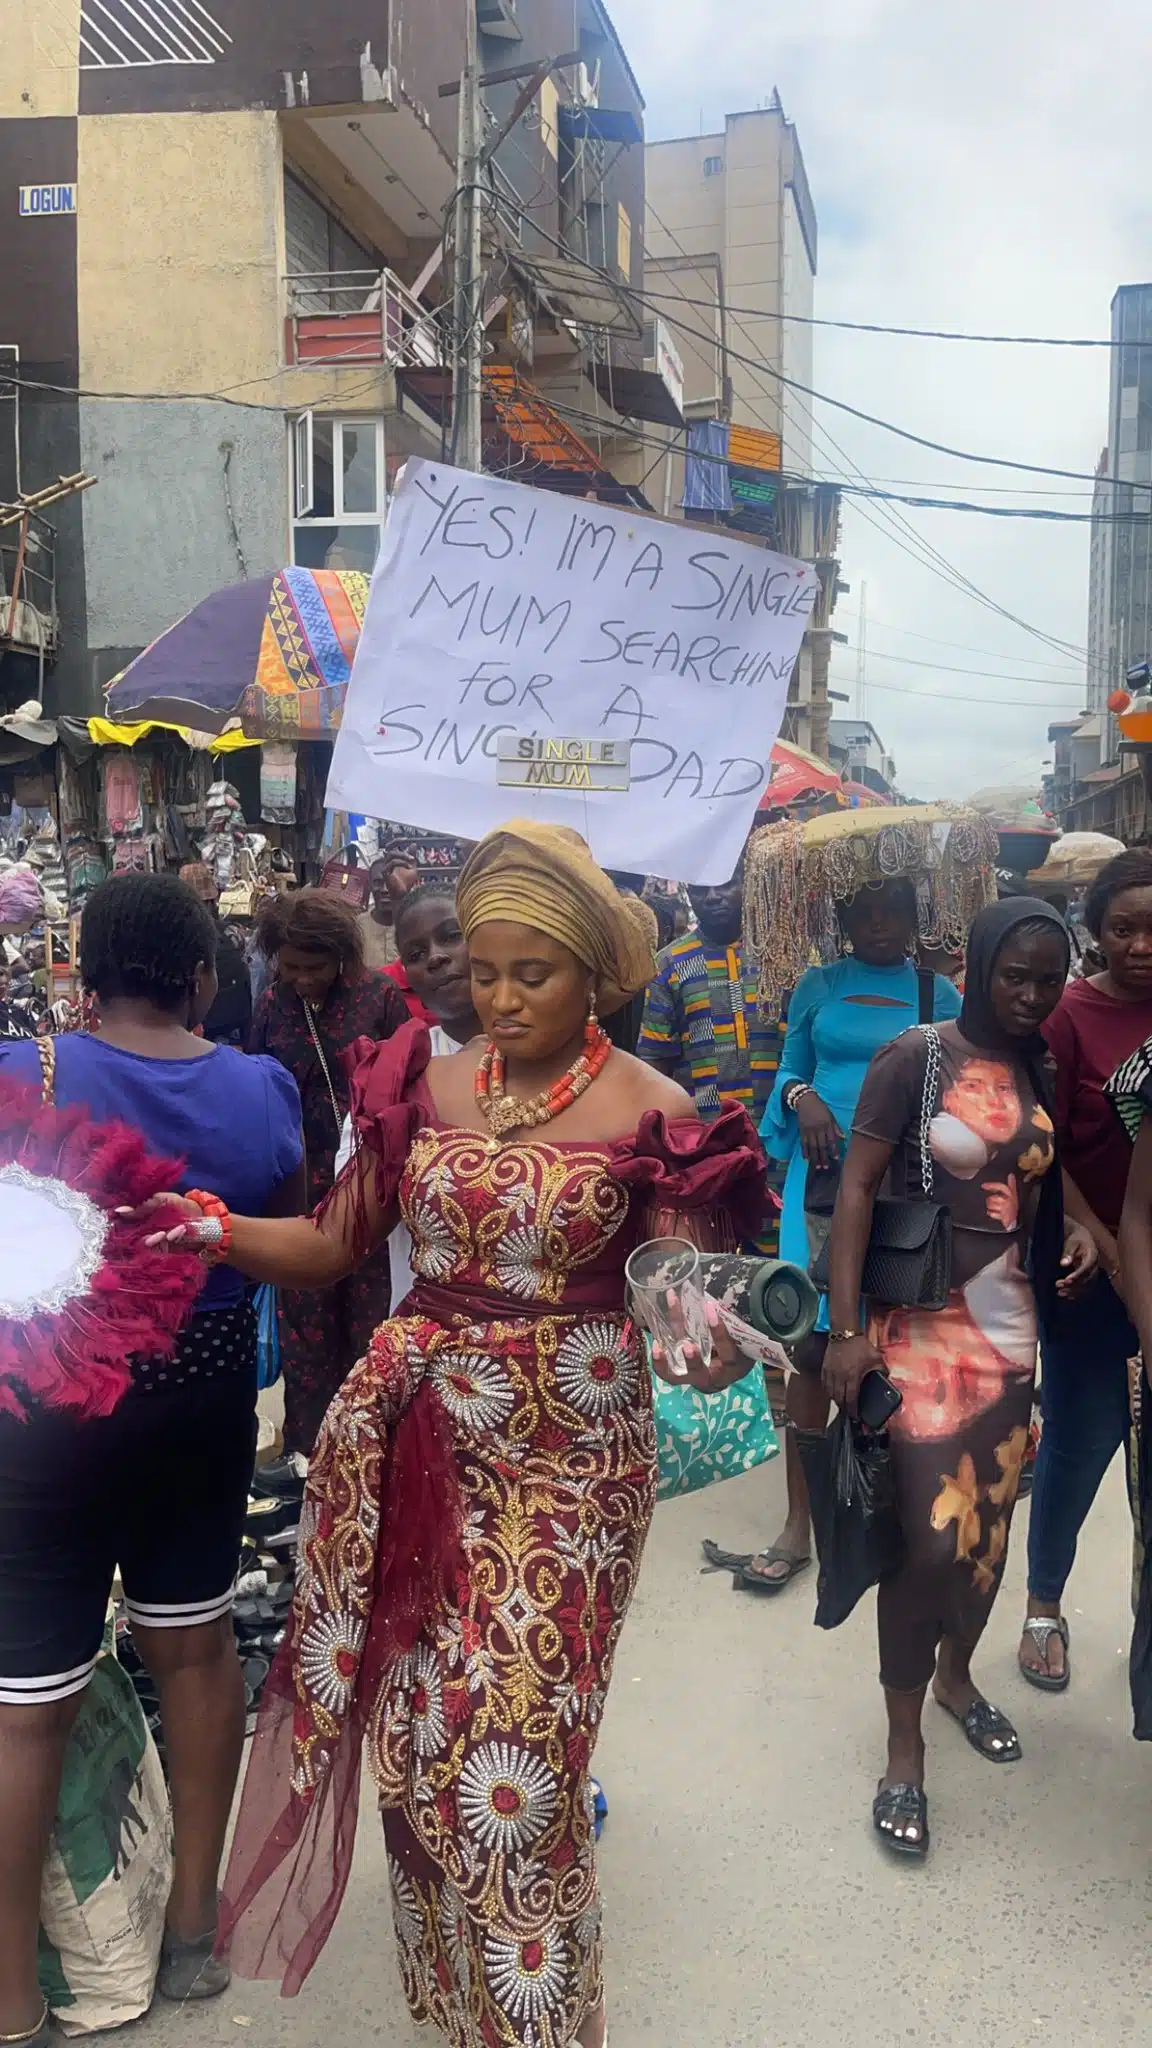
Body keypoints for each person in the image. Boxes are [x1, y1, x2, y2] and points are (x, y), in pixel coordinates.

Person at [146, 820, 767, 2048]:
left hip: (571, 1459)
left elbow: (689, 1329)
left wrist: (725, 1336)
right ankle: (459, 2013)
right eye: (481, 973)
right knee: (424, 1744)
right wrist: (216, 1228)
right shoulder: (420, 1086)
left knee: (520, 1767)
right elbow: (333, 1242)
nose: (498, 997)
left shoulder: (658, 1111)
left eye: (529, 972)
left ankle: (545, 2024)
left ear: (593, 969)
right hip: (411, 1436)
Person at [0, 874, 304, 2042]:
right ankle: (189, 1934)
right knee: (195, 1647)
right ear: (201, 976)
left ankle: (14, 1998)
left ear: (84, 970)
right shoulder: (259, 1089)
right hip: (201, 1391)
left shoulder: (21, 1067)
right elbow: (275, 1225)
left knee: (27, 1702)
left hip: (45, 1406)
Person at [824, 900, 1096, 1858]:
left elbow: (1036, 1180)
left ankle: (957, 1677)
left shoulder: (1040, 1064)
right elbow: (855, 1188)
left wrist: (1072, 1238)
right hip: (919, 1327)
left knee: (986, 1536)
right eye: (1012, 975)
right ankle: (906, 1753)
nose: (1028, 995)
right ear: (979, 967)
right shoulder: (916, 1055)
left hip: (1013, 1332)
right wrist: (844, 1329)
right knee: (929, 1545)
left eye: (1045, 979)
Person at [724, 879, 962, 1595]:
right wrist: (807, 1101)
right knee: (808, 1347)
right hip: (821, 1181)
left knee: (893, 1344)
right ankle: (801, 1523)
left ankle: (877, 1514)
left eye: (895, 908)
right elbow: (789, 1073)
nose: (881, 922)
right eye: (865, 909)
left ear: (917, 915)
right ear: (844, 916)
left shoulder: (936, 996)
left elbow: (957, 1090)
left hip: (902, 1193)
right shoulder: (818, 985)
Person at [1020, 849, 1152, 1687]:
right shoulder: (1066, 1017)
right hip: (1084, 1260)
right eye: (1124, 928)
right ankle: (1043, 1606)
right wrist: (1102, 1241)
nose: (1142, 945)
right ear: (1095, 933)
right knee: (1081, 1439)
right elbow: (1044, 1140)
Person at [249, 889, 408, 1467]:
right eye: (288, 967)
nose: (300, 979)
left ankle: (373, 1458)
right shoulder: (272, 1004)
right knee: (306, 1335)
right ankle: (308, 1462)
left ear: (340, 956)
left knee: (371, 1328)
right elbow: (258, 1087)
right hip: (298, 1192)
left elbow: (409, 1090)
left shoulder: (380, 998)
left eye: (312, 967)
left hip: (366, 1189)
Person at [179, 862, 252, 1047]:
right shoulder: (233, 932)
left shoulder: (179, 938)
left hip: (201, 1028)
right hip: (236, 1024)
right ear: (213, 899)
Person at [358, 848, 420, 973]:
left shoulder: (417, 925)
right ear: (369, 885)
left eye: (391, 882)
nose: (385, 889)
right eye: (378, 883)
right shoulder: (356, 928)